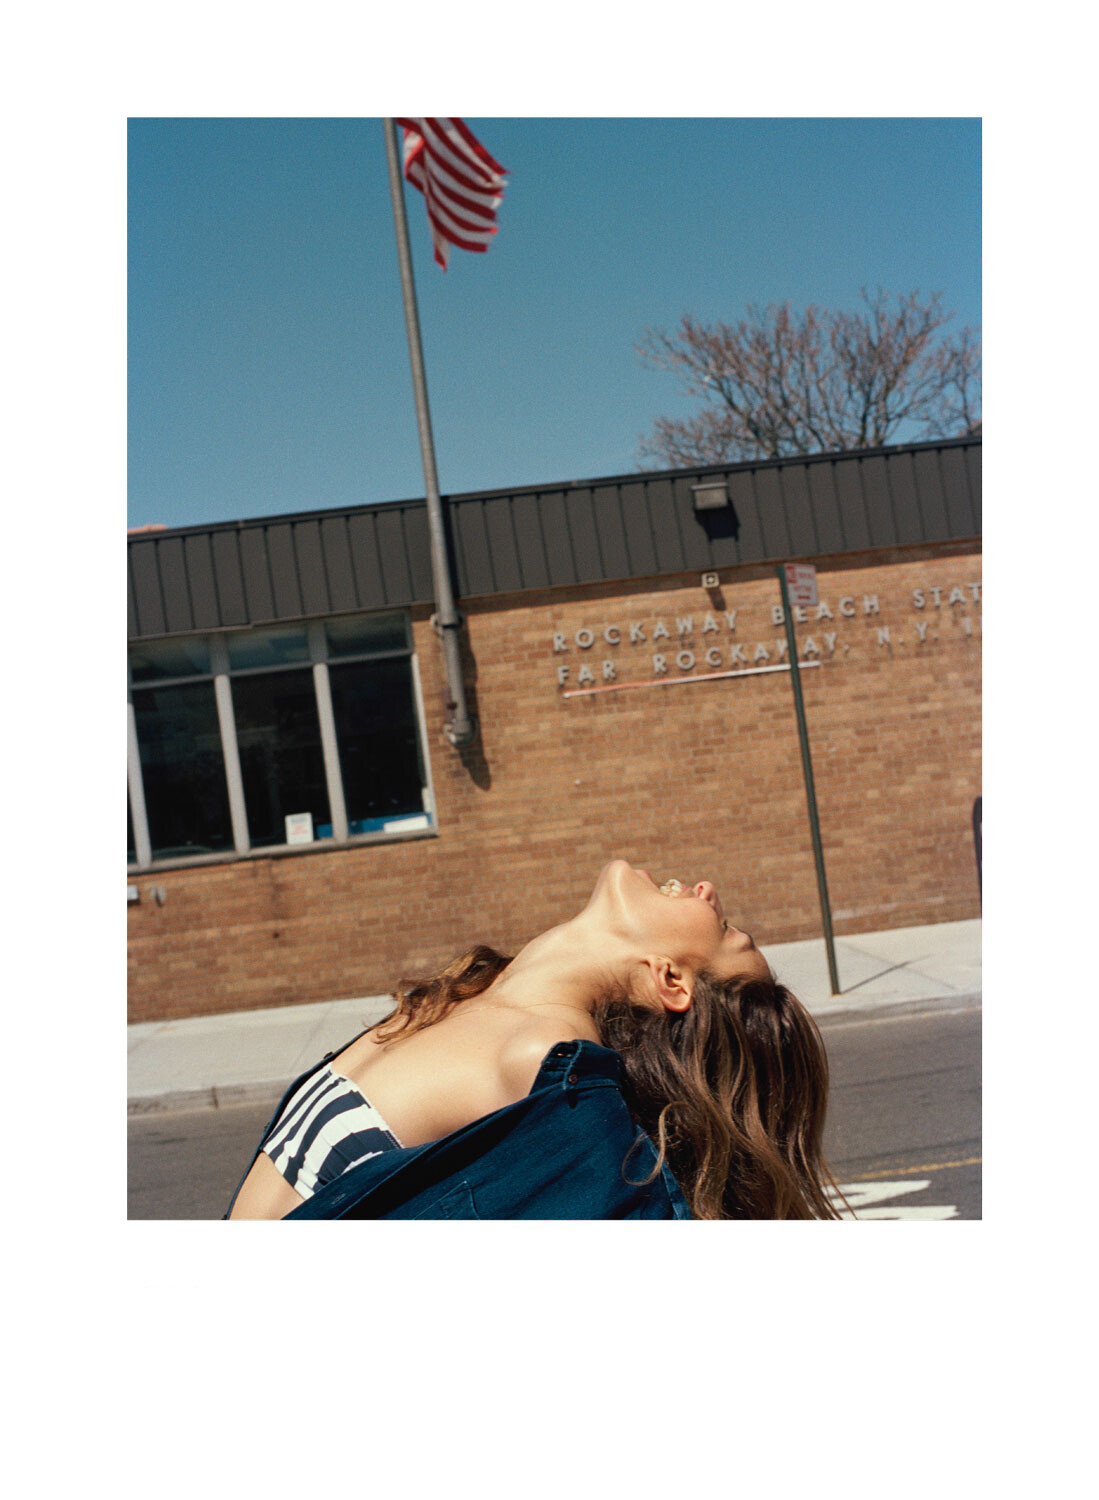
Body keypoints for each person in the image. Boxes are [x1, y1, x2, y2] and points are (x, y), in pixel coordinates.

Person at [225, 858, 841, 1220]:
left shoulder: (547, 1060)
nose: (706, 888)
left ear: (671, 979)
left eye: (724, 927)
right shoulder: (470, 991)